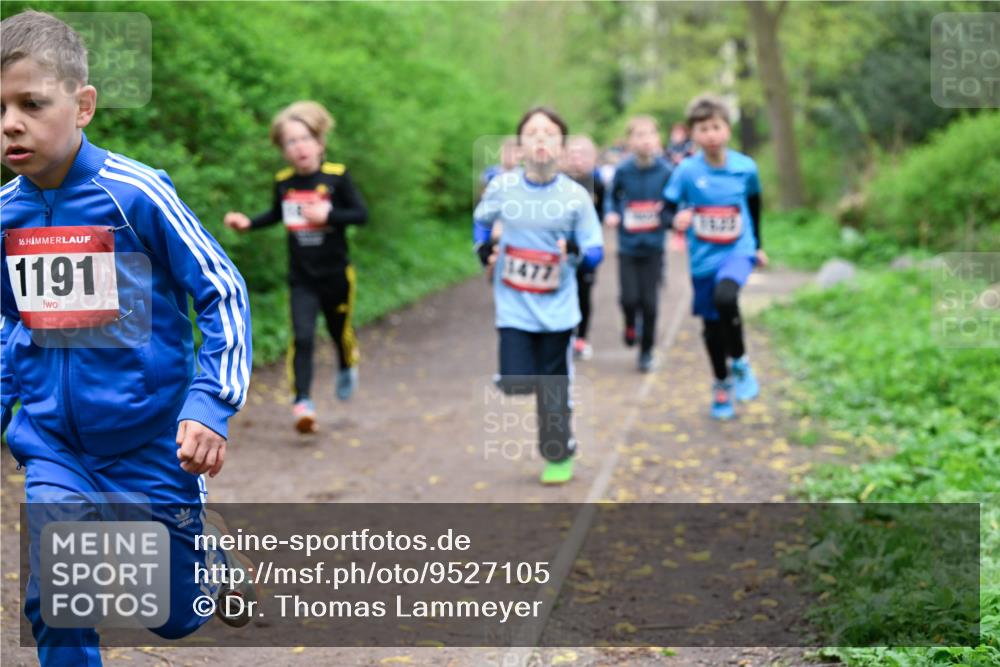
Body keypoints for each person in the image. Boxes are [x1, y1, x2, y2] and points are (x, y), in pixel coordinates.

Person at [1, 11, 256, 666]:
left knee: (173, 616)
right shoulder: (5, 216)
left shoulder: (135, 195)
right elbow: (10, 321)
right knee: (57, 596)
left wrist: (210, 403)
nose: (10, 124)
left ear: (83, 105)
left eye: (31, 103)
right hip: (55, 444)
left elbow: (222, 292)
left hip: (149, 440)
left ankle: (209, 559)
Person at [473, 107, 603, 485]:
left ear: (562, 147)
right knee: (516, 382)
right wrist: (484, 250)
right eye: (532, 133)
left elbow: (596, 250)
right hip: (514, 304)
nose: (541, 138)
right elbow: (481, 223)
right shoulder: (502, 187)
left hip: (558, 308)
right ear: (520, 146)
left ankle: (558, 452)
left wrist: (575, 250)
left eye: (550, 133)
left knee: (553, 387)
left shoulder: (576, 197)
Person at [225, 101, 367, 434]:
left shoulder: (337, 177)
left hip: (336, 275)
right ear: (282, 150)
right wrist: (249, 223)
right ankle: (302, 402)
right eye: (291, 141)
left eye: (305, 139)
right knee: (302, 337)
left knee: (338, 331)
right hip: (302, 278)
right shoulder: (284, 182)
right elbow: (277, 214)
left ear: (320, 143)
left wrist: (329, 215)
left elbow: (361, 215)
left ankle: (347, 362)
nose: (299, 147)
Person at [663, 94, 768, 420]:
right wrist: (676, 220)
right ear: (693, 134)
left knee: (726, 297)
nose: (710, 135)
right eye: (703, 129)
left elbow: (754, 207)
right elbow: (667, 208)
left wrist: (758, 245)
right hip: (703, 258)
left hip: (738, 249)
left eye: (716, 127)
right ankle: (721, 382)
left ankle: (740, 362)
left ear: (727, 129)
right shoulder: (686, 171)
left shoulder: (745, 168)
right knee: (711, 327)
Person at [604, 115, 674, 373]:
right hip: (628, 246)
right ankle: (630, 324)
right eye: (639, 135)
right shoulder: (623, 170)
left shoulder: (666, 171)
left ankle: (646, 353)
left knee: (650, 303)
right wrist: (612, 213)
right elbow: (611, 197)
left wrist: (668, 216)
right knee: (629, 299)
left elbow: (675, 202)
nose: (645, 140)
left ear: (658, 139)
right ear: (630, 141)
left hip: (654, 246)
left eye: (650, 134)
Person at [561, 135, 605, 361]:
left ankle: (581, 338)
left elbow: (602, 213)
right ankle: (564, 336)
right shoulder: (557, 183)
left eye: (583, 155)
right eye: (573, 154)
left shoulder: (598, 184)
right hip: (561, 250)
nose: (577, 160)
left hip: (586, 248)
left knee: (584, 293)